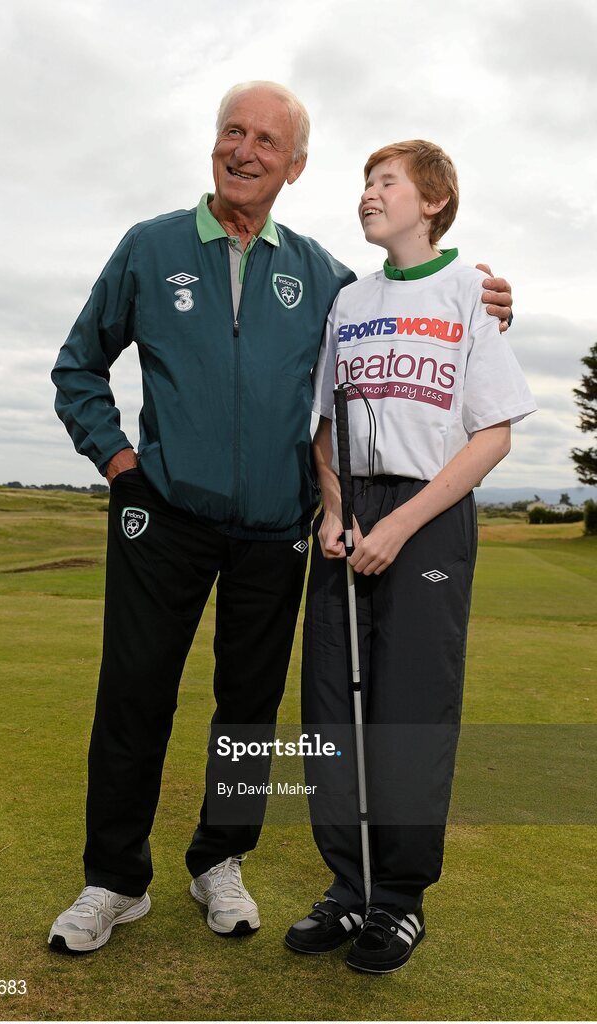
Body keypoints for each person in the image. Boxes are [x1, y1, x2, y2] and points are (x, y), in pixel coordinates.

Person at [48, 84, 513, 954]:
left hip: (274, 530)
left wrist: (486, 301)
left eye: (268, 141)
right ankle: (114, 879)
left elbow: (403, 302)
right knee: (134, 700)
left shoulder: (325, 277)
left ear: (294, 167)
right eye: (234, 132)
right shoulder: (148, 248)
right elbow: (78, 367)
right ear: (214, 144)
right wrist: (121, 465)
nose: (246, 150)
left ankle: (219, 861)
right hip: (166, 517)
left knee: (249, 713)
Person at [285, 140, 535, 973]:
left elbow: (491, 433)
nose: (367, 194)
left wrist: (400, 526)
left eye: (384, 183)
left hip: (429, 510)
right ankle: (346, 890)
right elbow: (325, 423)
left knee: (410, 709)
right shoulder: (347, 299)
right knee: (332, 708)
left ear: (430, 201)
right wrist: (332, 506)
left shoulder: (471, 291)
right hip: (348, 514)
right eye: (363, 183)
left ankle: (397, 900)